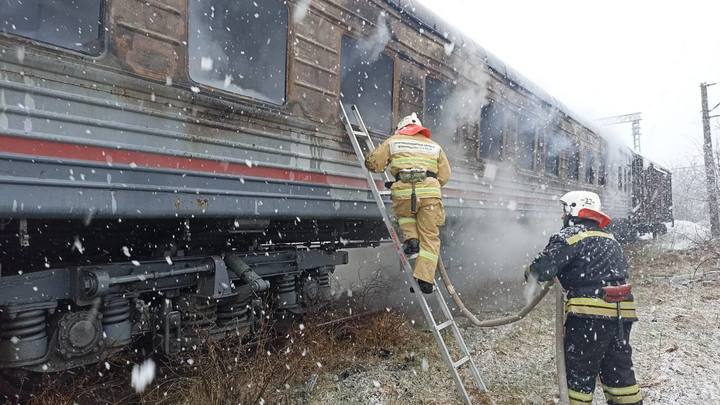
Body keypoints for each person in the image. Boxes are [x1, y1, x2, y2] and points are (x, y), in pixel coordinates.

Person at [525, 191, 642, 405]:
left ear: (573, 209)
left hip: (590, 318)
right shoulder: (610, 238)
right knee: (619, 374)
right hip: (622, 316)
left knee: (580, 375)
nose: (562, 216)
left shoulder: (570, 236)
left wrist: (529, 272)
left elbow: (541, 270)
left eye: (564, 210)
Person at [365, 112, 451, 294]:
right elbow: (445, 176)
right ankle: (425, 280)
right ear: (420, 129)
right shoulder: (435, 147)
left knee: (404, 215)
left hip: (404, 192)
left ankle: (411, 239)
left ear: (402, 128)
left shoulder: (394, 141)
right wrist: (430, 185)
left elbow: (374, 164)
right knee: (430, 238)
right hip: (430, 196)